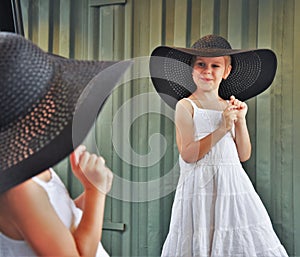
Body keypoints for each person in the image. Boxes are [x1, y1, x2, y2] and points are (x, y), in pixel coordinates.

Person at [150, 35, 288, 256]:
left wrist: (240, 120)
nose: (207, 71)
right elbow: (188, 154)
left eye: (216, 65)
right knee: (201, 241)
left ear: (227, 71)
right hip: (200, 188)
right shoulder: (186, 107)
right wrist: (222, 128)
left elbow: (243, 154)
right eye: (201, 64)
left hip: (232, 188)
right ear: (191, 69)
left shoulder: (229, 107)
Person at [0, 32, 131, 256]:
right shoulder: (19, 189)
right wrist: (95, 191)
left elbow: (60, 220)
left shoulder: (29, 167)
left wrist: (91, 190)